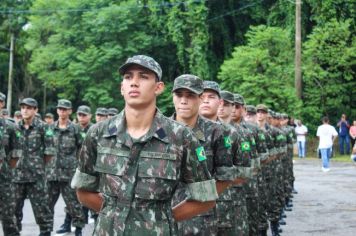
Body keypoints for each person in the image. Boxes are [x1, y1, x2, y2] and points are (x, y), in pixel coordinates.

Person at [71, 55, 218, 235]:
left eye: (143, 76)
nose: (134, 82)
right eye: (128, 77)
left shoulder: (180, 137)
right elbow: (83, 190)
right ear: (121, 88)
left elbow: (205, 198)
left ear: (158, 87)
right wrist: (115, 213)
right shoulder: (98, 133)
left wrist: (162, 218)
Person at [13, 98, 55, 236]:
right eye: (23, 107)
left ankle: (45, 233)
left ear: (36, 110)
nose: (25, 110)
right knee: (14, 211)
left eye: (29, 108)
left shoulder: (43, 127)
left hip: (36, 177)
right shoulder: (15, 127)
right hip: (17, 177)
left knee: (42, 210)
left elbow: (49, 152)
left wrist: (37, 165)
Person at [47, 99, 86, 236]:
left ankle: (79, 229)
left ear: (70, 111)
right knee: (47, 204)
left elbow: (82, 148)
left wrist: (79, 165)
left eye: (65, 109)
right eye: (60, 109)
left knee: (73, 204)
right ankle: (45, 230)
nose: (62, 111)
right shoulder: (50, 128)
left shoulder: (75, 129)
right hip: (51, 173)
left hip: (69, 173)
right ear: (57, 110)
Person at [0, 92, 23, 236]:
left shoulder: (10, 127)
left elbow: (16, 152)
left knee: (8, 217)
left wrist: (8, 168)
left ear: (2, 104)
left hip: (4, 178)